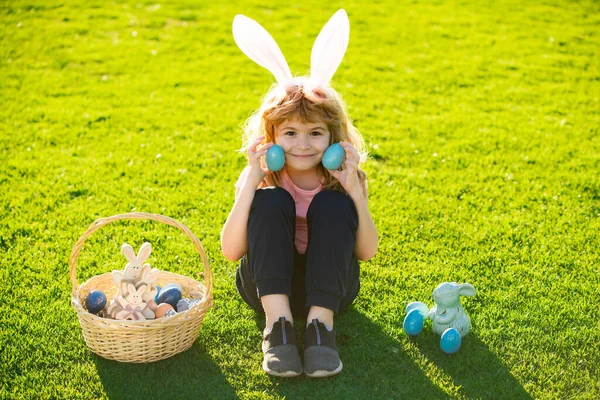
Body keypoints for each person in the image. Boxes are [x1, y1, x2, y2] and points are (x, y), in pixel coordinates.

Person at [221, 9, 378, 378]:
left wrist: (355, 192)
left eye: (315, 133)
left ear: (333, 137)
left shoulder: (343, 180)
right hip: (267, 286)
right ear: (271, 137)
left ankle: (320, 329)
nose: (303, 145)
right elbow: (231, 250)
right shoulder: (264, 179)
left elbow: (366, 252)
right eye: (290, 133)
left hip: (329, 288)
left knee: (334, 203)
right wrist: (251, 178)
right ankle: (279, 329)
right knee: (272, 199)